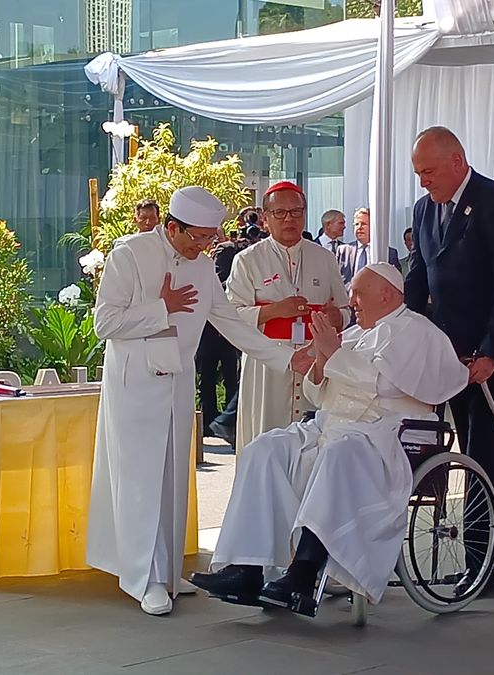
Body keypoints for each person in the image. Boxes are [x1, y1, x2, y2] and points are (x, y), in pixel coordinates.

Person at [190, 264, 470, 615]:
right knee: (264, 450)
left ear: (387, 293)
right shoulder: (355, 334)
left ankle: (303, 573)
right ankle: (246, 568)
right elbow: (318, 394)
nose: (351, 301)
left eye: (358, 293)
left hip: (385, 434)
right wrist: (322, 360)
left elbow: (384, 386)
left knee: (339, 455)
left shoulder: (417, 332)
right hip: (330, 426)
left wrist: (333, 355)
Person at [87, 186, 312, 616]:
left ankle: (168, 572)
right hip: (134, 386)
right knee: (141, 480)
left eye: (210, 238)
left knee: (172, 478)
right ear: (172, 227)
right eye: (198, 238)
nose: (205, 246)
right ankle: (144, 577)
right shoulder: (129, 254)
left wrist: (289, 359)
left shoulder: (205, 266)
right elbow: (105, 322)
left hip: (176, 382)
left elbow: (233, 324)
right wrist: (160, 307)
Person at [404, 126, 494, 588]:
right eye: (417, 173)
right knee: (473, 452)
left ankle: (486, 562)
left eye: (428, 171)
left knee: (484, 452)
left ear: (457, 161)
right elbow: (419, 280)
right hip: (450, 353)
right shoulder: (425, 210)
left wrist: (491, 352)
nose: (422, 181)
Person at [226, 181, 349, 452]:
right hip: (267, 363)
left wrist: (337, 318)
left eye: (296, 212)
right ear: (266, 217)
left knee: (310, 446)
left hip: (314, 361)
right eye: (280, 213)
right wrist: (274, 311)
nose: (289, 219)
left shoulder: (324, 257)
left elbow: (347, 310)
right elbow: (231, 316)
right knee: (264, 442)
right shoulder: (248, 260)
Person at [196, 230, 242, 442]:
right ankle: (209, 422)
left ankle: (228, 424)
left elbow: (224, 286)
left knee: (230, 377)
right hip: (206, 331)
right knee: (207, 377)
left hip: (224, 330)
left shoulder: (230, 251)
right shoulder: (198, 260)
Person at [338, 207, 402, 285]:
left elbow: (396, 281)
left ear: (373, 227)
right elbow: (337, 279)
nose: (359, 227)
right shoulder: (343, 250)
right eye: (356, 224)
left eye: (363, 224)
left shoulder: (388, 252)